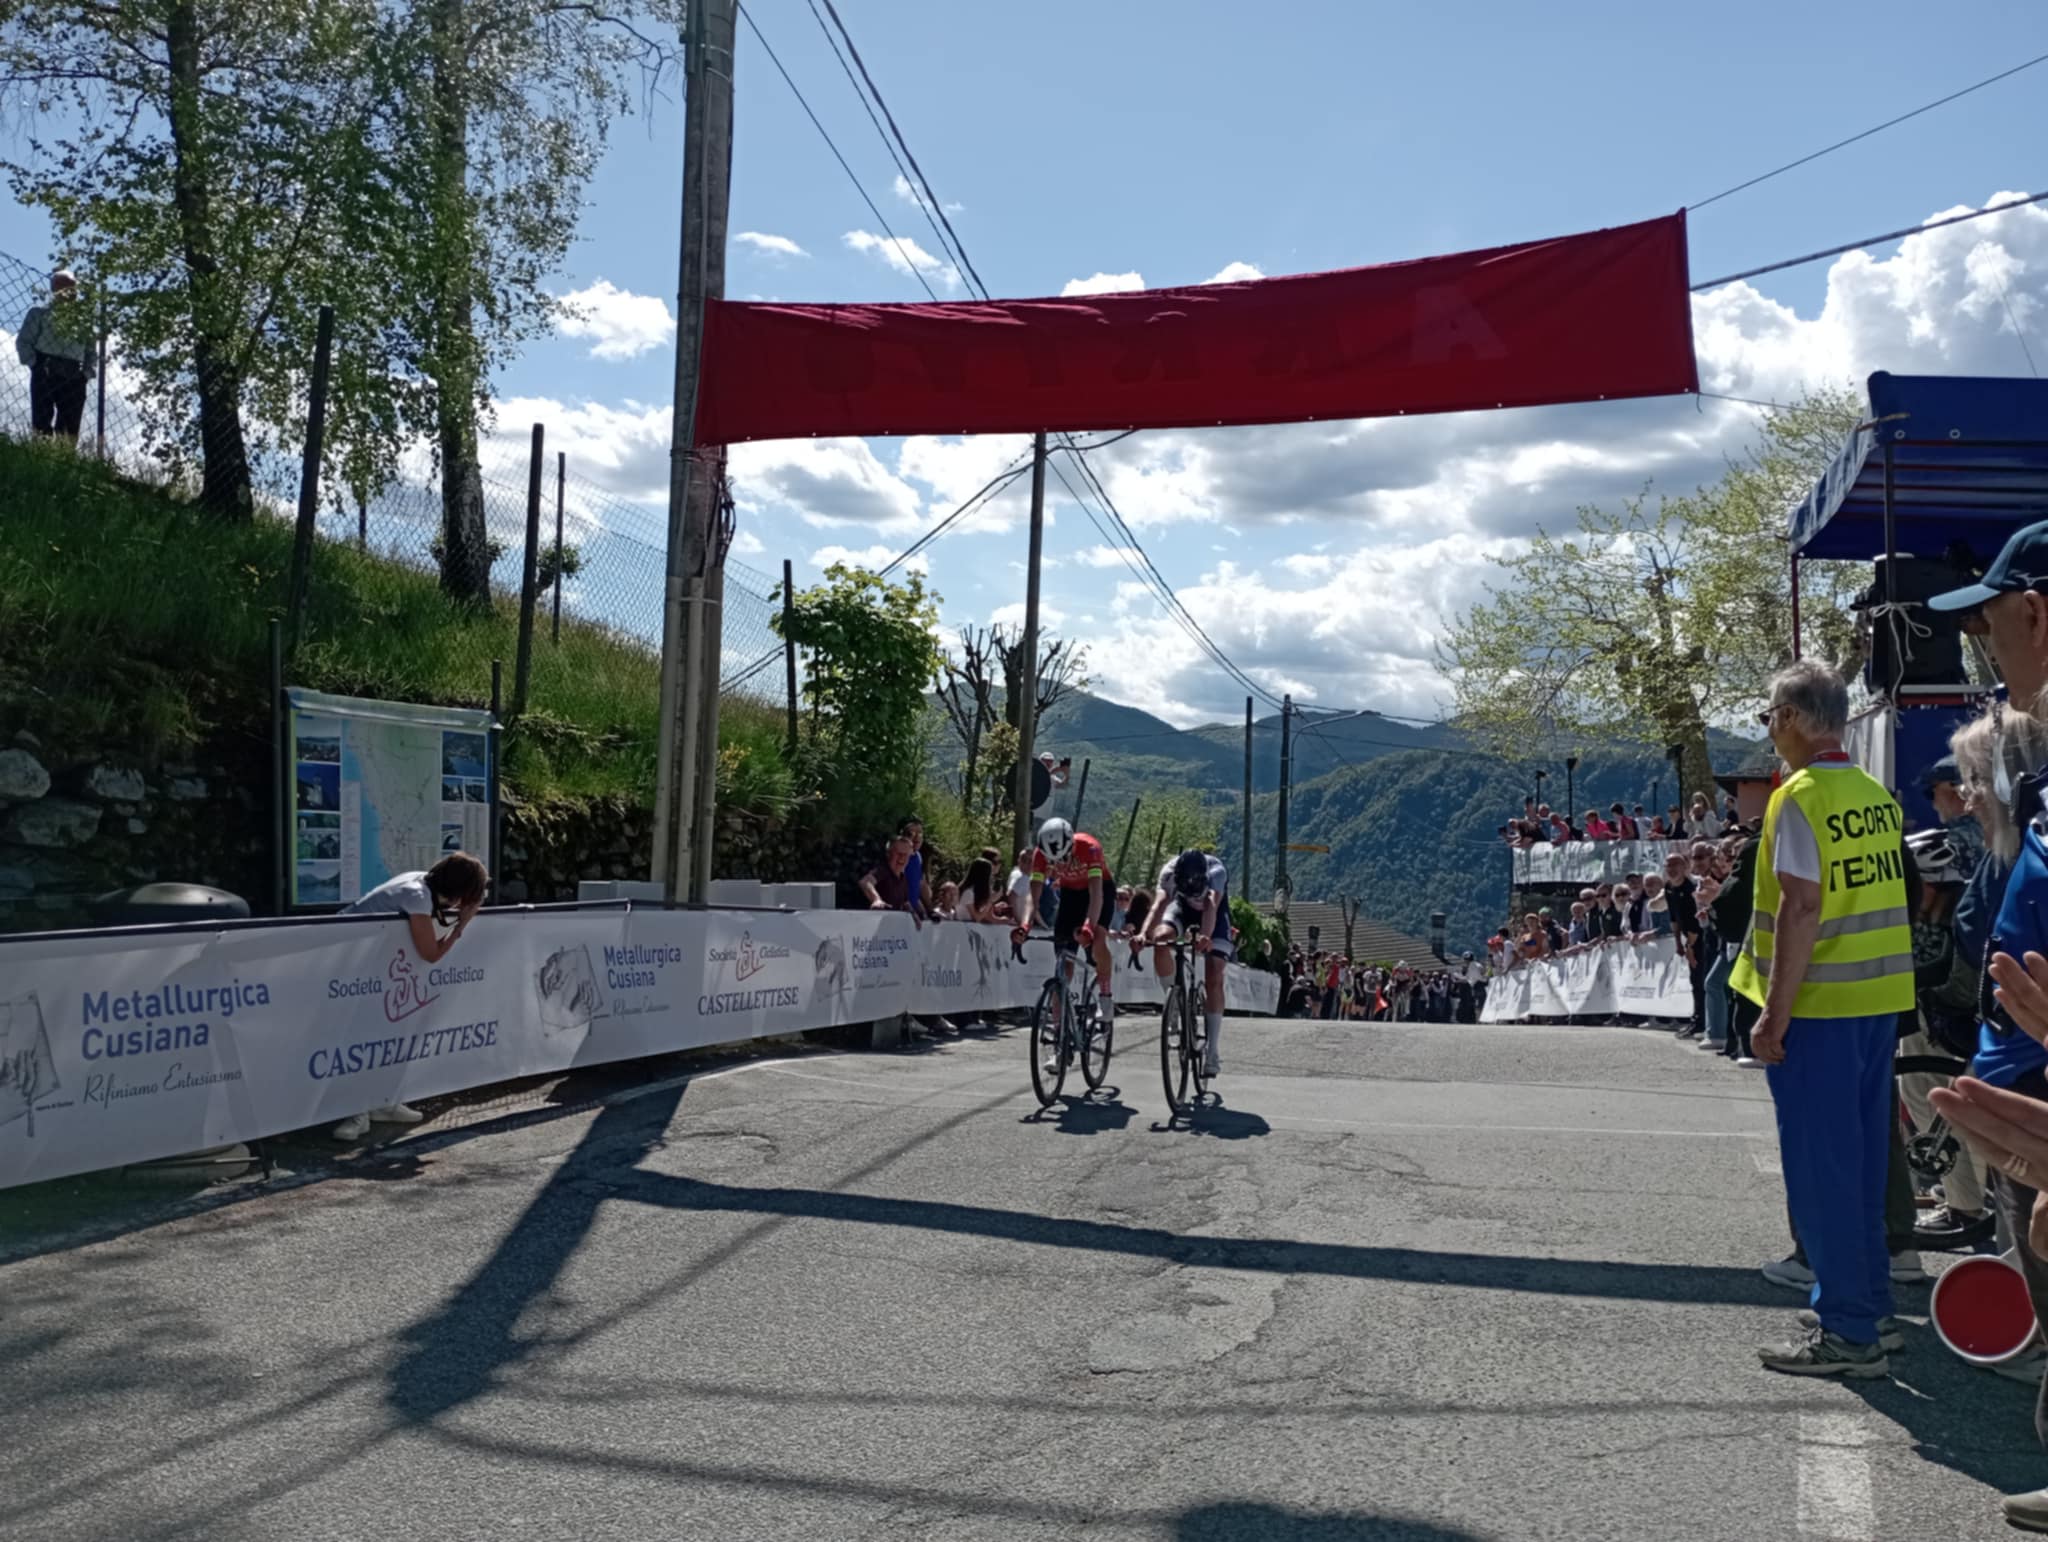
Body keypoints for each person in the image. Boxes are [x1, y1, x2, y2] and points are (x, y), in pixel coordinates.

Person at [1733, 662, 1915, 1378]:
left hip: (1822, 1005)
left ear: (1791, 717)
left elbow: (1801, 907)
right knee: (1865, 1163)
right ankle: (1870, 1309)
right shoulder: (1872, 793)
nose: (1770, 730)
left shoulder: (1799, 796)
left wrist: (1773, 1015)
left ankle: (1849, 1331)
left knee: (1822, 1169)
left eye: (1770, 717)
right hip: (1877, 998)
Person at [331, 852, 489, 1142]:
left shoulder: (421, 883)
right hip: (344, 959)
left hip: (365, 962)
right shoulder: (417, 897)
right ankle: (355, 1111)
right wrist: (461, 925)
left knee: (385, 1031)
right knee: (360, 1035)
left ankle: (383, 1102)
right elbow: (430, 954)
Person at [1013, 817, 1117, 1069]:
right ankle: (1061, 1044)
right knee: (1062, 967)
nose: (1060, 864)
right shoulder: (1040, 855)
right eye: (1054, 861)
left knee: (1099, 940)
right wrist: (1025, 925)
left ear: (1071, 844)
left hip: (1099, 891)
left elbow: (1095, 895)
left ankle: (1105, 996)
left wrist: (1089, 927)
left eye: (1064, 858)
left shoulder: (1089, 847)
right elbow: (1032, 896)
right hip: (1070, 895)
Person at [1146, 849, 1232, 1077]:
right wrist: (1143, 934)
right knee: (1160, 940)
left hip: (1212, 913)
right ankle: (1174, 1003)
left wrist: (1205, 936)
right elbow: (1159, 905)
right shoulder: (1169, 872)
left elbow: (1212, 905)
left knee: (1214, 973)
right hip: (1181, 909)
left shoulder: (1217, 871)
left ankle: (1212, 1051)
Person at [16, 269, 93, 441]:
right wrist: (35, 364)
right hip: (45, 366)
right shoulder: (40, 314)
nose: (69, 292)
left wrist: (85, 375)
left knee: (70, 425)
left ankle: (64, 457)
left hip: (74, 372)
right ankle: (39, 454)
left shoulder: (84, 322)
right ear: (54, 289)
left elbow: (91, 352)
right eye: (63, 286)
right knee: (42, 420)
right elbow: (24, 342)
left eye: (72, 288)